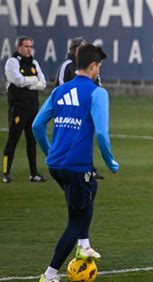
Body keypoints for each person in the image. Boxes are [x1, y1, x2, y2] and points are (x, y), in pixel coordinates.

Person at [32, 44, 119, 282]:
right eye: (99, 66)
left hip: (56, 165)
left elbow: (37, 127)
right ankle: (49, 275)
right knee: (76, 220)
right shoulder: (97, 92)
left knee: (90, 191)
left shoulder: (59, 91)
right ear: (93, 66)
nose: (98, 70)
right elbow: (101, 133)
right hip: (76, 166)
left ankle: (84, 245)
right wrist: (110, 161)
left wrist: (51, 153)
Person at [54, 37, 104, 179]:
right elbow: (60, 88)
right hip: (70, 109)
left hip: (85, 108)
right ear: (73, 49)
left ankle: (89, 168)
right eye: (80, 47)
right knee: (69, 138)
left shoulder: (89, 66)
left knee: (86, 137)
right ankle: (64, 164)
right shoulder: (67, 65)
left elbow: (97, 85)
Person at [2, 35, 47, 183]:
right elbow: (18, 81)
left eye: (30, 46)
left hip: (33, 108)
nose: (29, 49)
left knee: (32, 141)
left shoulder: (34, 63)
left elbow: (43, 84)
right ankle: (5, 173)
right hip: (18, 109)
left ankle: (33, 174)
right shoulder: (12, 62)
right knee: (12, 140)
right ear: (19, 47)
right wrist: (33, 80)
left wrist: (29, 81)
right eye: (26, 46)